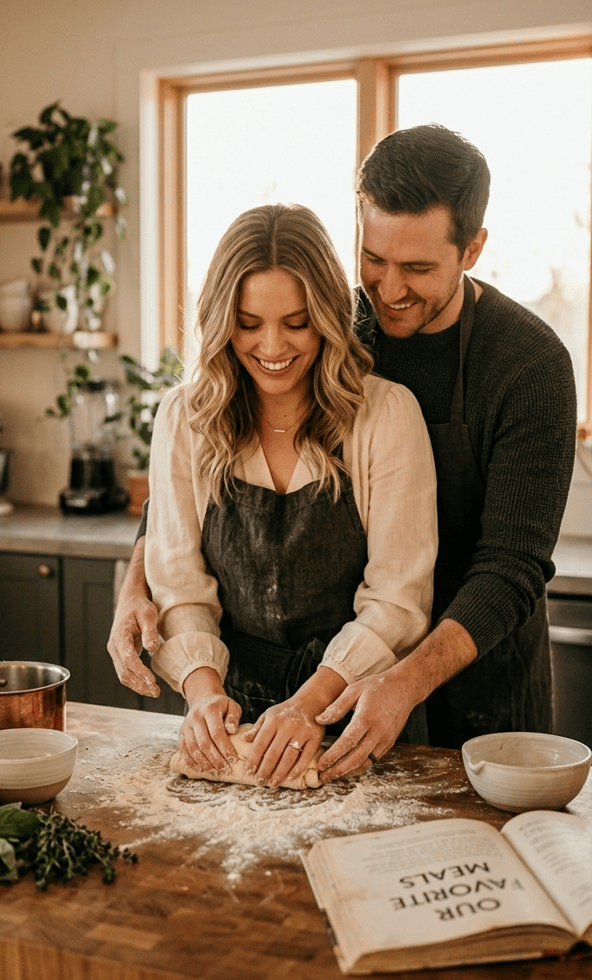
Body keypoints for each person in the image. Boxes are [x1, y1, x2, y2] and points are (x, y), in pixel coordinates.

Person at [113, 203, 437, 787]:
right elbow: (178, 582)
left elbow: (397, 600)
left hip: (354, 712)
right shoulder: (185, 419)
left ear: (329, 318)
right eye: (248, 322)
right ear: (221, 320)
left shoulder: (384, 416)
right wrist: (202, 695)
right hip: (228, 721)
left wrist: (308, 706)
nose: (271, 345)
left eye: (296, 321)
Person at [313, 124, 577, 778]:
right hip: (351, 678)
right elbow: (222, 431)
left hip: (484, 699)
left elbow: (511, 567)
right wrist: (143, 570)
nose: (390, 288)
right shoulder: (331, 332)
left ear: (473, 248)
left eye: (419, 268)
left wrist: (405, 683)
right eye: (374, 258)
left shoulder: (530, 364)